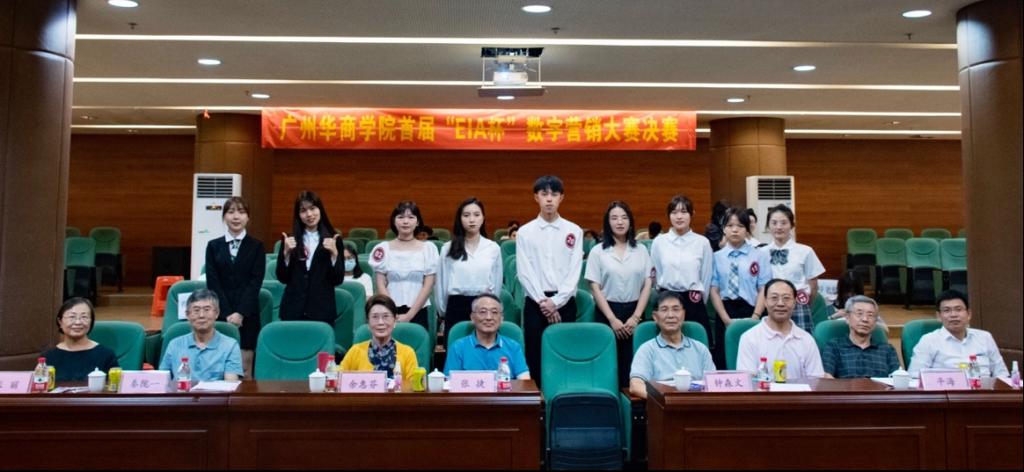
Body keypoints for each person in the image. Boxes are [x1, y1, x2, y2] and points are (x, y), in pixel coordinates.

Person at [516, 175, 583, 384]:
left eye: (554, 194)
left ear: (561, 198)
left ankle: (563, 394)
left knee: (565, 352)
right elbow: (524, 271)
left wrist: (556, 302)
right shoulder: (525, 232)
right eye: (544, 194)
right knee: (535, 355)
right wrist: (544, 302)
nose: (549, 199)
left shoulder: (574, 231)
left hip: (565, 303)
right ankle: (537, 398)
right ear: (536, 197)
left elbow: (574, 272)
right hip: (535, 303)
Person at [585, 201, 653, 388]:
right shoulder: (598, 251)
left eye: (624, 217)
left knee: (632, 367)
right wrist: (612, 319)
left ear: (630, 221)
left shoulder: (641, 250)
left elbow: (648, 283)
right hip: (607, 312)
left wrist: (636, 317)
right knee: (607, 366)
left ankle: (631, 402)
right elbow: (594, 287)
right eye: (614, 218)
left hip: (635, 313)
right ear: (608, 222)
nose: (620, 222)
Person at [203, 196, 264, 379]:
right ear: (224, 217)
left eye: (241, 212)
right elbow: (213, 283)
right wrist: (227, 313)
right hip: (221, 314)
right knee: (219, 365)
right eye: (231, 212)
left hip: (248, 315)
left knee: (245, 367)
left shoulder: (257, 246)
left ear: (248, 217)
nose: (236, 217)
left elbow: (255, 282)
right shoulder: (213, 246)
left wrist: (240, 313)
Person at [709, 207, 772, 368]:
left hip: (751, 309)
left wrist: (755, 317)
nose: (735, 230)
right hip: (725, 311)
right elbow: (714, 290)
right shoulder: (716, 257)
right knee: (724, 360)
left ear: (748, 229)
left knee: (754, 359)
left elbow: (763, 288)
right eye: (730, 225)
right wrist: (725, 319)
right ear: (724, 229)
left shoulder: (759, 255)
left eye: (740, 226)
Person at [650, 195, 714, 351]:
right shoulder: (659, 242)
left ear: (692, 214)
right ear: (669, 215)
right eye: (674, 212)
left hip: (693, 301)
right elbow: (657, 273)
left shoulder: (702, 242)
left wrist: (697, 299)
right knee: (666, 347)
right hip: (667, 298)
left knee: (696, 347)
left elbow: (706, 277)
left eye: (684, 212)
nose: (679, 216)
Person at [436, 197, 502, 342]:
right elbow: (441, 283)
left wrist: (491, 306)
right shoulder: (448, 248)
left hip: (485, 306)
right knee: (455, 350)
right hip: (456, 306)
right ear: (460, 219)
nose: (472, 220)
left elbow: (497, 284)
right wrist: (444, 312)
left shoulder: (493, 248)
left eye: (476, 215)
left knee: (485, 348)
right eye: (466, 215)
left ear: (483, 218)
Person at [629, 291, 716, 399]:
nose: (670, 315)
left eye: (676, 309)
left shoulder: (700, 349)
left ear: (683, 314)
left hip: (698, 404)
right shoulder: (647, 350)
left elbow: (713, 385)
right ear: (655, 317)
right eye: (664, 310)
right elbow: (635, 386)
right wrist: (665, 401)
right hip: (663, 405)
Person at [276, 190, 345, 326]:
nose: (309, 214)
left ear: (320, 209)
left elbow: (337, 279)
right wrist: (286, 254)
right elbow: (282, 278)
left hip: (322, 311)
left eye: (312, 208)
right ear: (298, 215)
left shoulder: (334, 239)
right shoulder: (290, 239)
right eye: (303, 210)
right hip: (292, 310)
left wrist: (334, 255)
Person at [369, 201, 439, 332]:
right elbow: (380, 284)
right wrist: (392, 312)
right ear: (394, 221)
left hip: (419, 310)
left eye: (411, 217)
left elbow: (428, 285)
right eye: (400, 217)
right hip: (389, 310)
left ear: (417, 222)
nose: (405, 221)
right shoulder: (383, 248)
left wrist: (410, 315)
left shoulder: (428, 248)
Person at [907, 290, 1009, 377]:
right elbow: (914, 377)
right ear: (938, 316)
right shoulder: (929, 341)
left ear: (969, 314)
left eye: (958, 309)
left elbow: (1002, 374)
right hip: (946, 392)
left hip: (984, 392)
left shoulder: (985, 337)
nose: (953, 315)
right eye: (947, 310)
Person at [737, 279, 824, 379]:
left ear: (794, 303)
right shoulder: (749, 338)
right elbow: (747, 381)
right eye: (774, 298)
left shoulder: (807, 340)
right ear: (765, 302)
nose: (780, 303)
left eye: (786, 298)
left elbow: (816, 381)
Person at [758, 204, 825, 333]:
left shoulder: (805, 251)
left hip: (798, 305)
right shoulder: (761, 253)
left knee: (800, 342)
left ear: (792, 225)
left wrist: (802, 305)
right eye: (774, 223)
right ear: (768, 226)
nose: (779, 227)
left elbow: (813, 286)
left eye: (784, 223)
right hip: (770, 305)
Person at [160, 289, 243, 381]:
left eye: (207, 310)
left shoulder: (230, 346)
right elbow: (162, 381)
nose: (201, 315)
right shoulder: (174, 345)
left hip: (215, 391)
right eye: (196, 310)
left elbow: (231, 384)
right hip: (181, 390)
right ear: (187, 314)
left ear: (216, 313)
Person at [444, 294, 529, 379]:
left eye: (494, 312)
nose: (489, 317)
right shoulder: (458, 347)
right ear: (472, 317)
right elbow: (449, 382)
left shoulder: (513, 347)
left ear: (502, 318)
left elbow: (524, 381)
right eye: (483, 312)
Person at [340, 295, 418, 385]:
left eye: (386, 316)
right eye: (375, 317)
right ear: (368, 322)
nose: (380, 322)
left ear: (395, 321)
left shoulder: (408, 353)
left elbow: (413, 388)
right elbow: (340, 380)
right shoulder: (355, 351)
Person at [822, 295, 900, 378]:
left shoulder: (887, 350)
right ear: (847, 318)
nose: (865, 319)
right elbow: (827, 377)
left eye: (870, 315)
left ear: (875, 321)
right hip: (846, 386)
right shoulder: (834, 347)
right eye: (859, 314)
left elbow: (897, 378)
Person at [42, 297, 119, 382]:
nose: (78, 322)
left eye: (84, 317)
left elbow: (115, 386)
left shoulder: (106, 355)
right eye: (72, 317)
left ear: (91, 321)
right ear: (60, 321)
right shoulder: (49, 355)